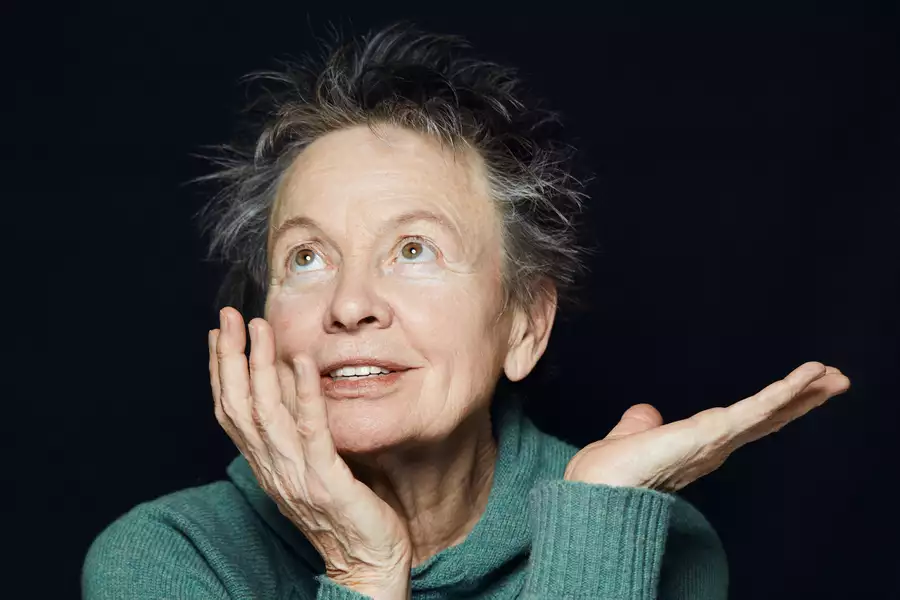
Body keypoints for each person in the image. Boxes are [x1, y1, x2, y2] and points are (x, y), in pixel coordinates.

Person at [82, 22, 851, 599]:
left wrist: (597, 525)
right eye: (306, 258)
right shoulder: (165, 558)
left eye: (414, 250)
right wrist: (361, 570)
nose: (349, 305)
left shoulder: (658, 539)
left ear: (524, 325)